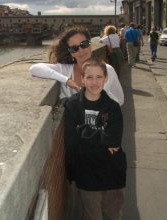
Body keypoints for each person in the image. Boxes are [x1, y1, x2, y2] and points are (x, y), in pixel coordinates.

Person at [64, 58, 127, 220]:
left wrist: (82, 130)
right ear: (82, 79)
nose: (94, 82)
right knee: (93, 216)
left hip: (112, 171)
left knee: (113, 215)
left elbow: (114, 142)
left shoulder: (113, 107)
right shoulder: (73, 105)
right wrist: (103, 141)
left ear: (105, 79)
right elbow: (71, 141)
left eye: (99, 77)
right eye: (89, 77)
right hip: (86, 173)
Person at [30, 25, 124, 106]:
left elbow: (120, 100)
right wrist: (66, 80)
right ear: (70, 53)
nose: (81, 50)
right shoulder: (65, 70)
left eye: (84, 44)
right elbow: (34, 68)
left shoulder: (108, 70)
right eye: (74, 48)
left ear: (90, 44)